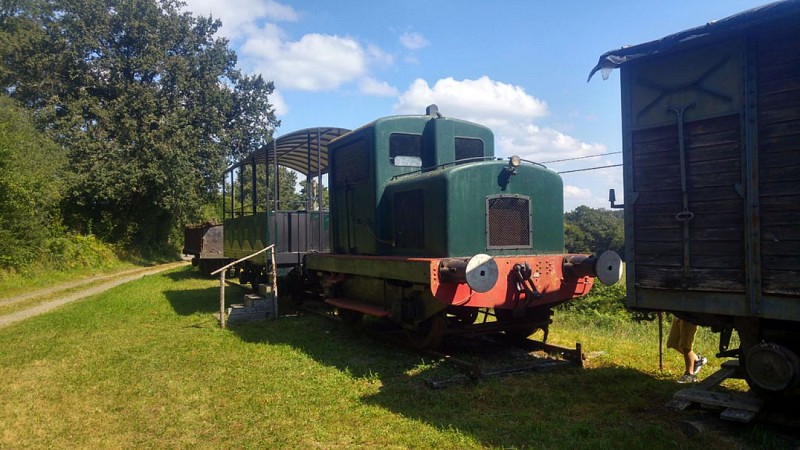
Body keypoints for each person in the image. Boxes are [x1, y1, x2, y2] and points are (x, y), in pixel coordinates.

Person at [667, 316, 707, 383]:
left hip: (690, 315)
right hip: (679, 314)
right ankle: (697, 359)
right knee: (672, 343)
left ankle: (689, 374)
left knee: (686, 345)